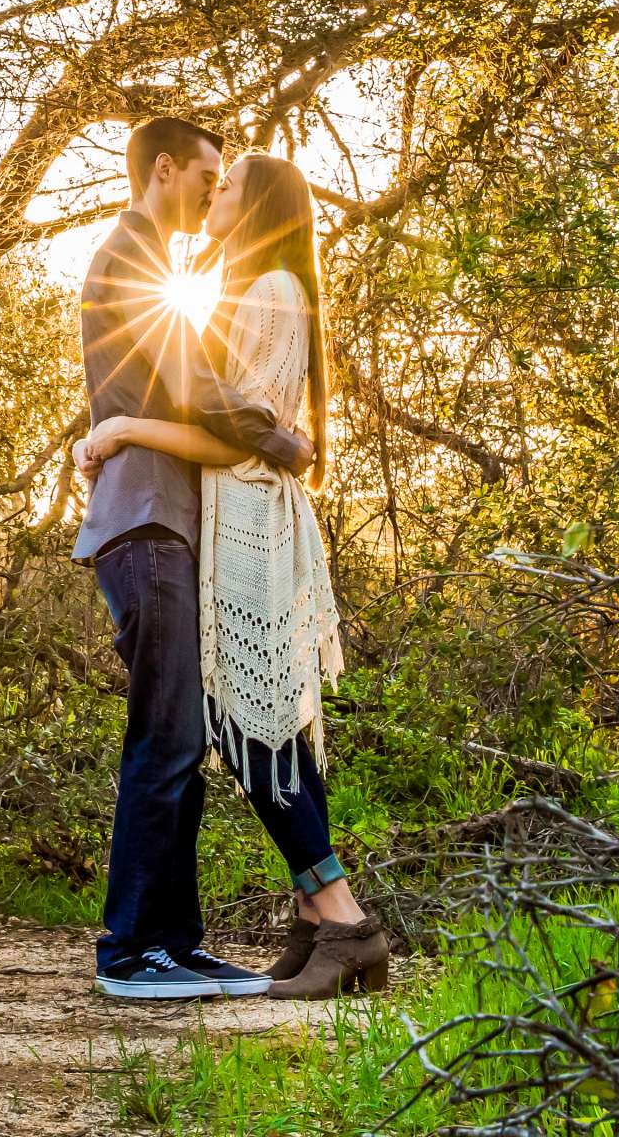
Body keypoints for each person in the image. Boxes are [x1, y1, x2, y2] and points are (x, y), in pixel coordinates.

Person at [82, 149, 393, 1000]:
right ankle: (316, 915)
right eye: (209, 181)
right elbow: (215, 407)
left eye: (230, 187)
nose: (215, 196)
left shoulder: (268, 293)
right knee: (258, 716)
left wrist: (123, 434)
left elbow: (226, 436)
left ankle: (341, 918)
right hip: (242, 523)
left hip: (250, 525)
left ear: (258, 210)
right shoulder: (256, 290)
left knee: (254, 721)